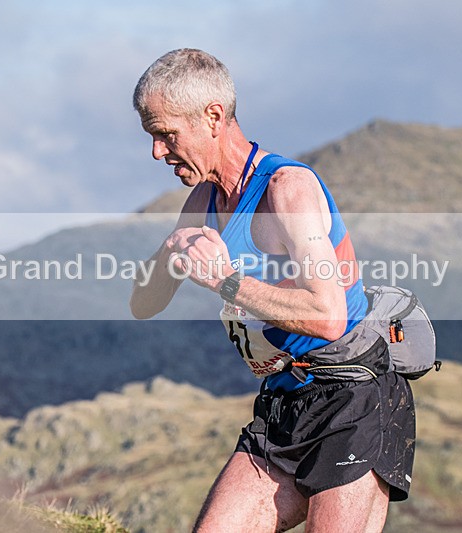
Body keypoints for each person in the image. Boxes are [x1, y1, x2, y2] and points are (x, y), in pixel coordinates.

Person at [130, 48, 415, 533]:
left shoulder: (287, 190)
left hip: (354, 396)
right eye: (152, 137)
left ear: (214, 116)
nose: (158, 151)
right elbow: (143, 304)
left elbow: (328, 318)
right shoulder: (204, 200)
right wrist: (170, 253)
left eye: (166, 134)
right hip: (284, 400)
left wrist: (226, 282)